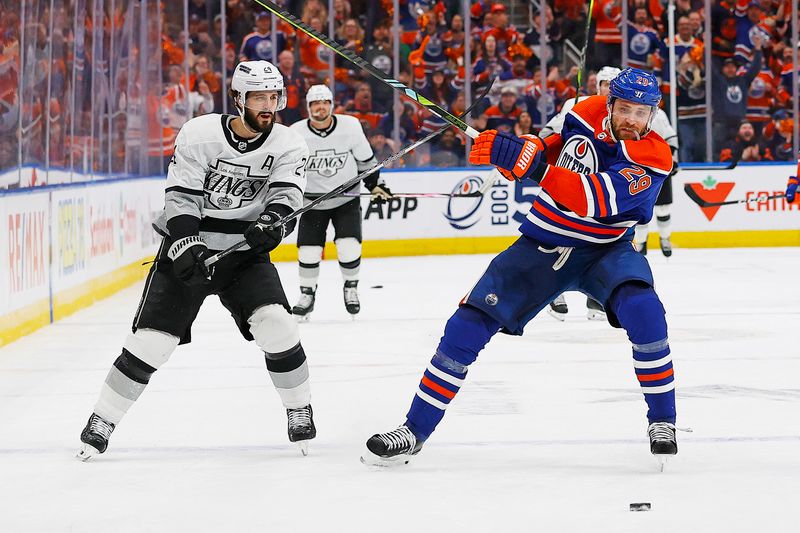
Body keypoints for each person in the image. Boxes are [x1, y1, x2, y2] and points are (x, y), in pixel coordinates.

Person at [363, 68, 678, 468]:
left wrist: (532, 166)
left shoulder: (654, 156)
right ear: (611, 104)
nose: (633, 119)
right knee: (465, 326)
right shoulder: (583, 111)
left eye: (643, 111)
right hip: (541, 245)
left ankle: (663, 421)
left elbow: (592, 198)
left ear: (654, 115)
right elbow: (551, 146)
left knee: (645, 312)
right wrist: (515, 152)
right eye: (626, 109)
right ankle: (414, 430)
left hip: (604, 251)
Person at [77, 61, 316, 460]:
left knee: (276, 323)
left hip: (244, 256)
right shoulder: (199, 133)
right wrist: (187, 245)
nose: (269, 106)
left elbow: (287, 198)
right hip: (187, 250)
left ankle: (299, 408)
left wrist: (272, 223)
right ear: (238, 99)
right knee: (152, 342)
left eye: (274, 96)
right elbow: (181, 198)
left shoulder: (289, 144)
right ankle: (103, 418)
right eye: (260, 97)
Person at [289, 85, 392, 320]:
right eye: (315, 103)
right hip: (312, 203)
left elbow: (366, 161)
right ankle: (307, 294)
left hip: (346, 199)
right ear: (308, 107)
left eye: (324, 102)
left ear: (331, 104)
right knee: (308, 251)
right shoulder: (296, 133)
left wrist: (376, 185)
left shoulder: (350, 127)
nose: (320, 107)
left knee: (349, 246)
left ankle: (351, 288)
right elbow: (288, 169)